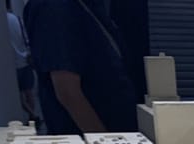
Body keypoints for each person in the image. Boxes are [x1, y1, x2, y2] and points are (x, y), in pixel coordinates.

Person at [23, 0, 137, 135]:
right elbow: (68, 92)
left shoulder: (88, 6)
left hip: (116, 133)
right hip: (90, 138)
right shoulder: (56, 7)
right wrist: (103, 142)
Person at [6, 0, 40, 123]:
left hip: (13, 64)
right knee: (29, 92)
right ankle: (33, 117)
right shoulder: (17, 19)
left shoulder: (3, 21)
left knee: (18, 96)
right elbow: (26, 37)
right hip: (25, 60)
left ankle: (33, 116)